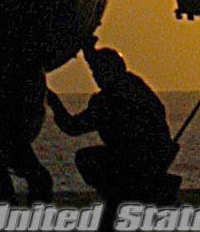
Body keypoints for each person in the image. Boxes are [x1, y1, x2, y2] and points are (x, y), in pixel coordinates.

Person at [47, 46, 179, 204]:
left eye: (97, 72)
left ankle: (119, 195)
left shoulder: (107, 100)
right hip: (157, 155)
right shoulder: (135, 85)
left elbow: (72, 127)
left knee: (85, 158)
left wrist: (53, 101)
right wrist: (88, 49)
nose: (95, 76)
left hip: (134, 160)